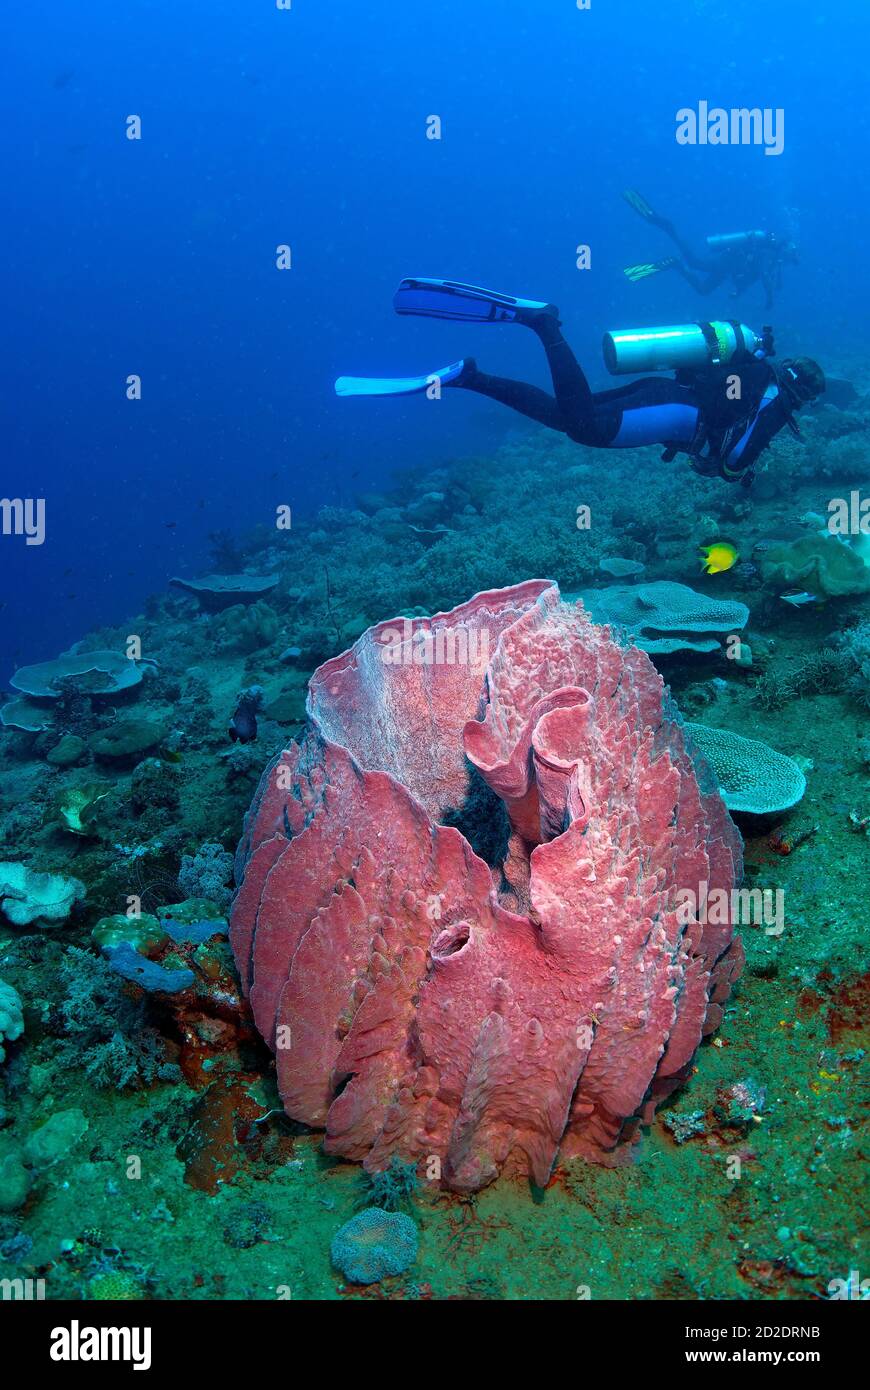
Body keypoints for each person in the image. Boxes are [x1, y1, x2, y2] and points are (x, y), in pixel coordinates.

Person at [335, 278, 825, 487]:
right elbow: (737, 460)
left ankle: (470, 377)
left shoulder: (760, 372)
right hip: (677, 415)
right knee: (583, 426)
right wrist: (735, 474)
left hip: (666, 397)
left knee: (566, 415)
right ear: (805, 393)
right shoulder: (778, 401)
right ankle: (544, 324)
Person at [622, 188, 798, 309]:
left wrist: (738, 291)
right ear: (787, 250)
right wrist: (769, 299)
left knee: (703, 290)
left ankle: (675, 263)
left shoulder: (771, 258)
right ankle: (669, 228)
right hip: (727, 262)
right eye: (791, 256)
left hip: (728, 268)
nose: (789, 261)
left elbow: (750, 277)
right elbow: (763, 276)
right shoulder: (769, 255)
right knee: (694, 262)